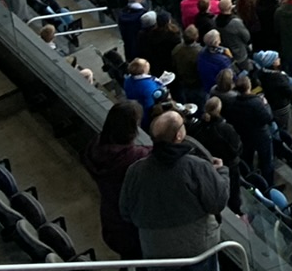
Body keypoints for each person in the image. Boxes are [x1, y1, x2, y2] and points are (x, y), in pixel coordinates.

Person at [119, 109, 229, 264]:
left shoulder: (135, 171)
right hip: (198, 252)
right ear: (179, 135)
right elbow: (218, 202)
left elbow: (125, 211)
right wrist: (222, 172)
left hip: (155, 253)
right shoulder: (196, 166)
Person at [84, 101, 152, 257]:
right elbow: (157, 154)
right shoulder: (134, 158)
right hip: (131, 228)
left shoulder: (95, 146)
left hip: (111, 220)